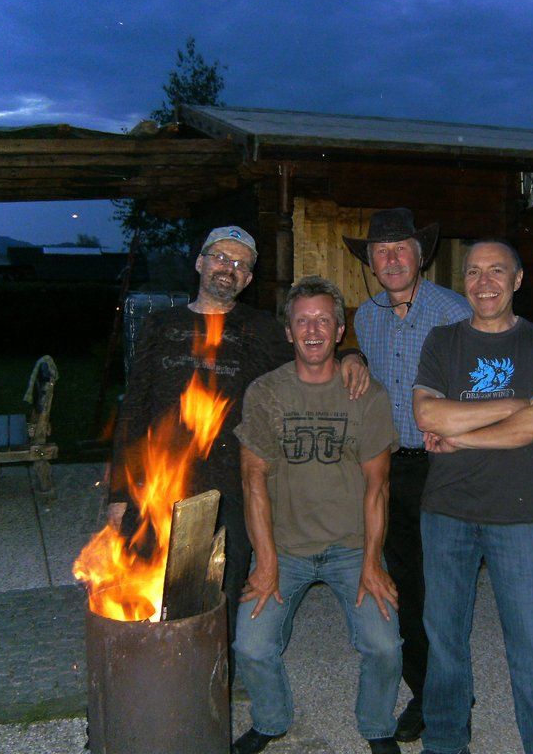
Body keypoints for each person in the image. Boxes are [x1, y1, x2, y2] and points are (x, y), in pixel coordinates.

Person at [108, 226, 369, 663]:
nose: (228, 268)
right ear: (200, 262)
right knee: (149, 586)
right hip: (157, 484)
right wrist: (119, 494)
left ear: (247, 279)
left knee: (221, 593)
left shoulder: (263, 330)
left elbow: (313, 356)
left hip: (231, 487)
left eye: (240, 264)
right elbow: (133, 410)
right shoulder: (161, 325)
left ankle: (213, 678)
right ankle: (154, 672)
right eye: (220, 258)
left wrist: (352, 356)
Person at [231, 276, 403, 754]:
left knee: (384, 645)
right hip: (284, 547)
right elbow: (252, 481)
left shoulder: (367, 395)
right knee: (251, 645)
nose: (312, 331)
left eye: (323, 320)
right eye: (302, 321)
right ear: (288, 331)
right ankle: (271, 719)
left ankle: (377, 725)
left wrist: (372, 562)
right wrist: (266, 562)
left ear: (339, 330)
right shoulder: (266, 393)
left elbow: (378, 486)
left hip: (351, 546)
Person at [413, 240, 533, 754]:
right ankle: (445, 743)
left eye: (496, 271)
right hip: (446, 511)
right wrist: (512, 405)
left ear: (517, 280)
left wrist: (463, 438)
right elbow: (428, 415)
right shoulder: (443, 341)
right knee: (445, 642)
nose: (484, 283)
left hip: (517, 513)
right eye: (474, 272)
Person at [343, 208, 471, 742]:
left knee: (443, 589)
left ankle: (452, 700)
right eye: (381, 251)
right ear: (371, 263)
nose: (391, 259)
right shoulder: (368, 317)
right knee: (405, 587)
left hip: (443, 465)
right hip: (389, 467)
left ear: (421, 257)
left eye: (401, 249)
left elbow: (482, 384)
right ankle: (427, 690)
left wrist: (463, 435)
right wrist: (352, 355)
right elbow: (365, 368)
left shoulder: (454, 312)